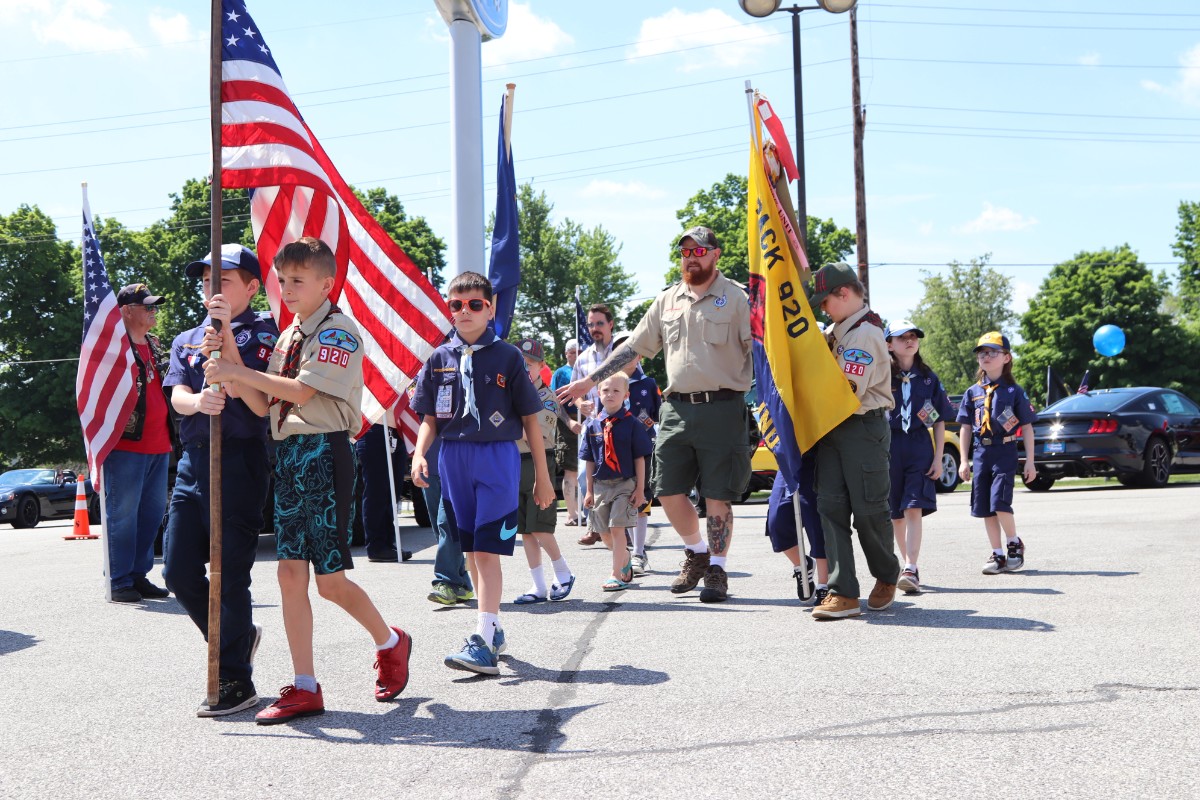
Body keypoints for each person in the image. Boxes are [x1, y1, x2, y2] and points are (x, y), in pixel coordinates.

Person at [203, 237, 412, 724]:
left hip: (323, 453)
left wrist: (236, 369)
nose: (288, 288)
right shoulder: (287, 336)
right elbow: (263, 405)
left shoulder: (338, 332)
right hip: (288, 455)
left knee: (330, 582)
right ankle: (305, 685)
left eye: (298, 280)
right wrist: (230, 351)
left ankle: (391, 641)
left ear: (326, 283)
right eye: (282, 280)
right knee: (289, 574)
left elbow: (300, 391)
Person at [558, 226, 753, 604]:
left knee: (717, 494)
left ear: (716, 254)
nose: (691, 257)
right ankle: (697, 552)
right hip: (677, 408)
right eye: (685, 252)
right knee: (666, 489)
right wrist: (589, 382)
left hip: (724, 406)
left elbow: (761, 348)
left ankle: (717, 569)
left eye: (699, 251)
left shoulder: (737, 298)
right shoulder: (667, 300)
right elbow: (633, 349)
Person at [409, 271, 555, 676]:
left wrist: (543, 477)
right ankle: (492, 628)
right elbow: (429, 418)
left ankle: (482, 641)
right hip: (453, 459)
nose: (465, 311)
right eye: (456, 305)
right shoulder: (440, 358)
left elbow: (531, 419)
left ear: (490, 309)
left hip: (496, 458)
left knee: (488, 550)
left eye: (475, 304)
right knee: (471, 551)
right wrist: (419, 454)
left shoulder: (508, 356)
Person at [161, 244, 277, 717]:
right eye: (207, 279)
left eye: (224, 279)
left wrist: (227, 336)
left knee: (228, 575)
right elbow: (177, 393)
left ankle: (235, 678)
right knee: (177, 570)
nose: (212, 287)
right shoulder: (187, 337)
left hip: (239, 458)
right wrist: (197, 403)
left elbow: (259, 403)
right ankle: (237, 638)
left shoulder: (266, 333)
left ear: (251, 287)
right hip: (194, 460)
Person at [805, 262, 901, 621]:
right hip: (833, 427)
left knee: (868, 511)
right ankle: (843, 592)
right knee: (829, 506)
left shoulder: (864, 334)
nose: (823, 308)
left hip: (861, 428)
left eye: (825, 301)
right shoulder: (840, 330)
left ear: (844, 294)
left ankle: (887, 574)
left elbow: (844, 391)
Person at [104, 284, 175, 604]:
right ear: (126, 311)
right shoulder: (112, 348)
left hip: (160, 444)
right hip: (126, 446)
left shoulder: (155, 345)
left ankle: (137, 575)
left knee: (151, 515)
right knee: (123, 515)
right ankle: (118, 580)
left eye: (153, 306)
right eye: (146, 306)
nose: (153, 310)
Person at [956, 331, 1038, 575]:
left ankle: (1013, 543)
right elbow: (965, 427)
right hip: (982, 452)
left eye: (993, 352)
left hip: (1005, 450)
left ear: (1006, 358)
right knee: (985, 507)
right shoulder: (973, 392)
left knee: (1000, 501)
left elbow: (1027, 427)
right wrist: (963, 461)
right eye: (982, 353)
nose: (986, 357)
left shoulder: (1014, 391)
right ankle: (997, 554)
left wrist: (1030, 461)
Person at [885, 320, 954, 594]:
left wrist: (938, 458)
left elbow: (939, 420)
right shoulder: (881, 375)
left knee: (913, 507)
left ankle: (911, 567)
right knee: (896, 514)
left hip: (918, 446)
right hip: (889, 446)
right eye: (902, 337)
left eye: (913, 336)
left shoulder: (928, 378)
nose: (909, 341)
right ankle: (907, 565)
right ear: (889, 344)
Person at [511, 337, 579, 604]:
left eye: (530, 364)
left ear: (541, 367)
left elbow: (533, 434)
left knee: (540, 526)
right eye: (520, 364)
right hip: (514, 464)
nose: (525, 369)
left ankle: (563, 572)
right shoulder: (510, 396)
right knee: (526, 531)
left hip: (538, 464)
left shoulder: (546, 398)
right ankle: (538, 586)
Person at [579, 373, 653, 591]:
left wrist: (640, 489)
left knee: (617, 528)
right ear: (598, 393)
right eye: (605, 390)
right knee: (604, 533)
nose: (610, 394)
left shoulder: (633, 424)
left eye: (616, 391)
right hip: (601, 486)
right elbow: (589, 460)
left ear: (626, 395)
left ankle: (616, 574)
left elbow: (640, 459)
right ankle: (625, 557)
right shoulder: (593, 425)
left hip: (625, 484)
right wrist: (589, 490)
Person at [616, 335, 661, 576]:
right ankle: (632, 550)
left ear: (640, 356)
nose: (627, 358)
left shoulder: (648, 384)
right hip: (618, 450)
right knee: (624, 499)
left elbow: (659, 414)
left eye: (631, 352)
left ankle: (639, 553)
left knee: (641, 497)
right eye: (621, 352)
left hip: (643, 450)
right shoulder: (610, 383)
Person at [572, 305, 616, 545]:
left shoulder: (622, 353)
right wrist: (581, 404)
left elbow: (636, 384)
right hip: (592, 428)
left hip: (618, 427)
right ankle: (595, 526)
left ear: (610, 324)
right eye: (590, 324)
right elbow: (574, 393)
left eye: (599, 323)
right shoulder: (582, 358)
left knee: (619, 477)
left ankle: (621, 528)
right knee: (583, 477)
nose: (594, 328)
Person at [764, 452, 829, 606]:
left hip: (817, 457)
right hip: (788, 460)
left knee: (815, 520)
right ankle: (803, 565)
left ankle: (825, 584)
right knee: (777, 520)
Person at [424, 433, 477, 606]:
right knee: (441, 529)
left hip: (459, 462)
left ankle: (446, 581)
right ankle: (461, 583)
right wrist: (418, 455)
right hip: (430, 463)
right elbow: (427, 422)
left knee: (446, 523)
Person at [354, 421, 403, 562]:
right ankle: (376, 547)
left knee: (392, 493)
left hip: (396, 430)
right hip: (373, 428)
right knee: (377, 492)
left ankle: (388, 544)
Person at [550, 339, 581, 526]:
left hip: (588, 421)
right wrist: (569, 422)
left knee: (590, 469)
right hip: (567, 423)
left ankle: (589, 513)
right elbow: (555, 401)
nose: (576, 355)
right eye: (572, 352)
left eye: (579, 352)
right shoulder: (561, 373)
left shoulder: (588, 371)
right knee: (571, 470)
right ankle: (572, 514)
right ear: (566, 354)